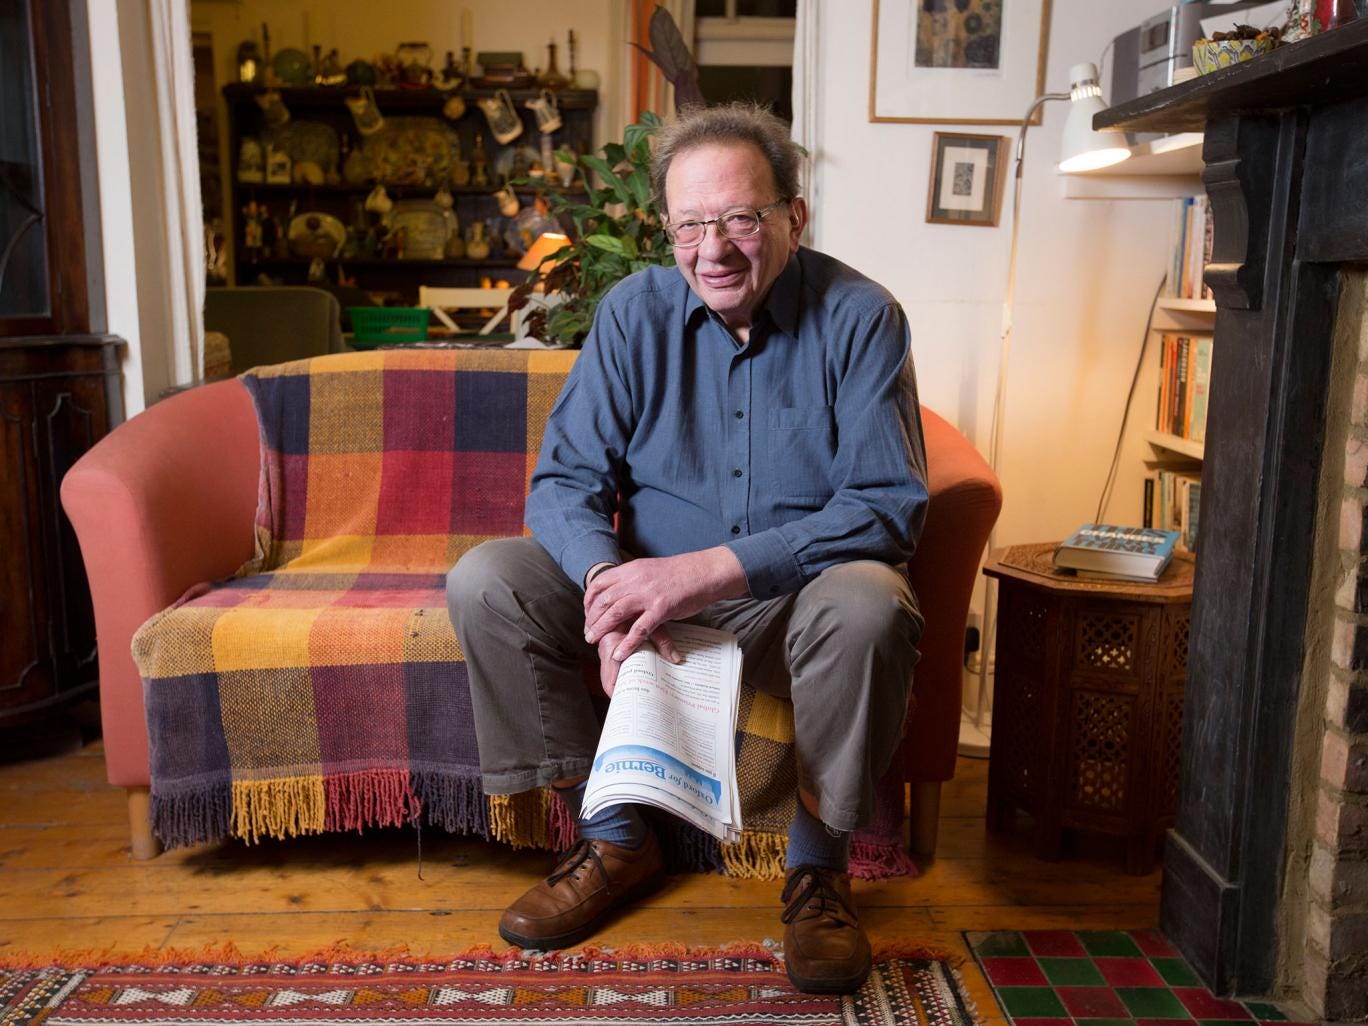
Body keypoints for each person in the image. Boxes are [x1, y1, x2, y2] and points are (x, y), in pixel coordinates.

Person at [447, 102, 928, 994]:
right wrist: (605, 588)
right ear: (668, 230)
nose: (715, 248)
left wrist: (703, 571)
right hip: (648, 604)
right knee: (489, 580)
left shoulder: (863, 318)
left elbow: (889, 506)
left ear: (794, 217)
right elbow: (563, 483)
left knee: (871, 603)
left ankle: (819, 873)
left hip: (797, 605)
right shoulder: (634, 314)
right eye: (691, 225)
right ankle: (616, 840)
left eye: (741, 218)